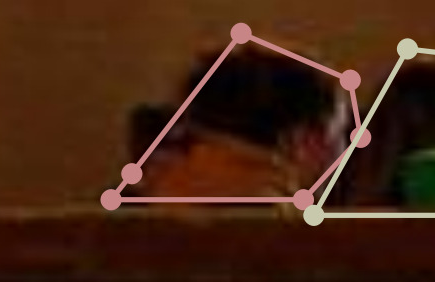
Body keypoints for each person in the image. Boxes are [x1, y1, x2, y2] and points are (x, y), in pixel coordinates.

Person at [128, 44, 353, 201]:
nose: (342, 152)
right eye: (338, 134)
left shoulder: (145, 195)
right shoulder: (288, 231)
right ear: (303, 139)